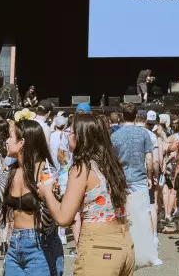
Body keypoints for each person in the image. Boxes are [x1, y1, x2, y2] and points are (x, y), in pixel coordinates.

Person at [39, 113, 134, 276]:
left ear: (80, 137)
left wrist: (47, 192)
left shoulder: (82, 169)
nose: (67, 136)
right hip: (124, 244)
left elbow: (63, 218)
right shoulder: (111, 166)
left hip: (99, 248)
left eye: (70, 132)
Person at [0, 118, 62, 276]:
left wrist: (47, 196)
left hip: (41, 244)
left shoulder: (45, 171)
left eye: (10, 136)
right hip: (15, 242)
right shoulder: (9, 171)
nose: (6, 141)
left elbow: (50, 221)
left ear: (21, 142)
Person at [109, 106, 160, 267]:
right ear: (136, 115)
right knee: (145, 212)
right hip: (139, 178)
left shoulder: (115, 136)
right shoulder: (144, 133)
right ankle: (152, 252)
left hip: (121, 179)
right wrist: (150, 176)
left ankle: (123, 250)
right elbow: (149, 158)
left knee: (121, 212)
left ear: (122, 116)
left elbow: (111, 161)